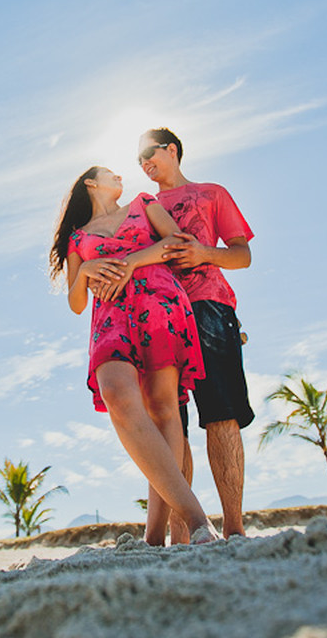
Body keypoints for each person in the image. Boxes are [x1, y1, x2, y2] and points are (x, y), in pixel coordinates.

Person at [50, 166, 219, 546]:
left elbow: (175, 242)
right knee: (117, 396)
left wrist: (130, 266)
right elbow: (77, 303)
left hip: (159, 300)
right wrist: (87, 270)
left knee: (164, 408)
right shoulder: (78, 238)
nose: (120, 176)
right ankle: (197, 516)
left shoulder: (144, 203)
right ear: (91, 183)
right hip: (110, 316)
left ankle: (158, 533)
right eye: (110, 173)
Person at [138, 128, 255, 541]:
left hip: (210, 306)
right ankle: (183, 535)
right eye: (138, 161)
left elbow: (243, 255)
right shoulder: (143, 206)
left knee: (222, 415)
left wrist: (204, 253)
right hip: (160, 317)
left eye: (148, 153)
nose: (144, 163)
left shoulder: (211, 194)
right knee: (169, 424)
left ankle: (235, 529)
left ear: (171, 150)